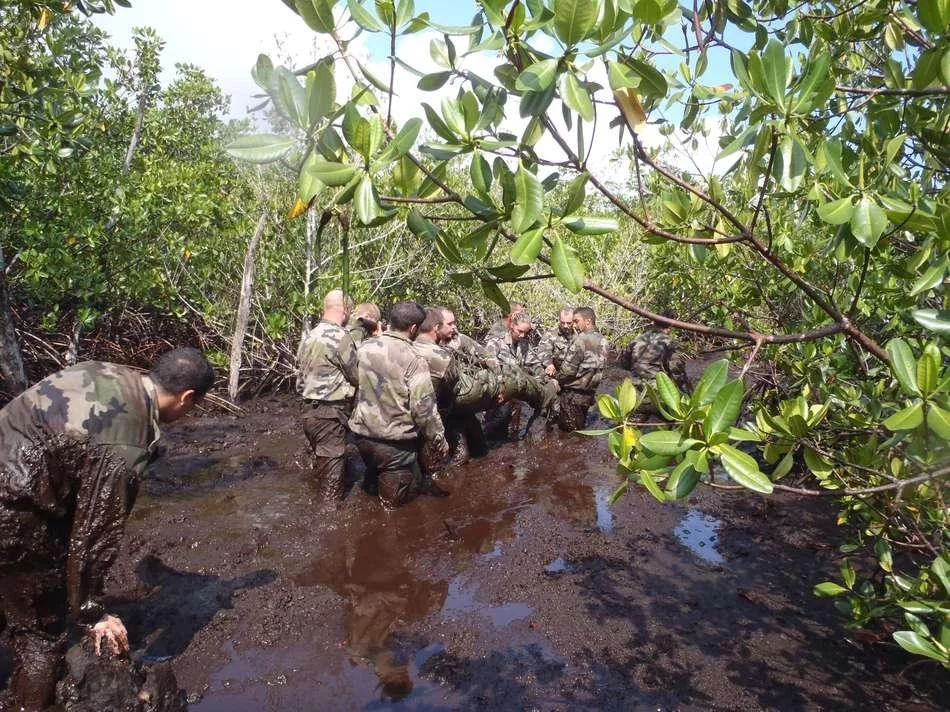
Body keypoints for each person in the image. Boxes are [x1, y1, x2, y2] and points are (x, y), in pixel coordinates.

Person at [0, 348, 214, 709]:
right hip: (12, 506)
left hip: (14, 469)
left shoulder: (105, 370)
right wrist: (91, 611)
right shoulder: (127, 441)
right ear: (187, 397)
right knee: (41, 634)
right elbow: (93, 533)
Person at [348, 301, 448, 508]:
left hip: (361, 438)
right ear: (413, 328)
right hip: (393, 445)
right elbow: (425, 411)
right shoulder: (414, 359)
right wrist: (440, 441)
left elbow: (352, 380)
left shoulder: (364, 348)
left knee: (372, 487)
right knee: (396, 508)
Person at [296, 289, 359, 503]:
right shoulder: (341, 336)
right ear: (345, 310)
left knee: (322, 470)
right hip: (329, 415)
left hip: (308, 413)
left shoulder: (308, 336)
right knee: (331, 488)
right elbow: (357, 376)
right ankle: (327, 527)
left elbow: (302, 377)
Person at [413, 309, 460, 478]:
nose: (453, 328)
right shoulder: (442, 356)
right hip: (429, 414)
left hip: (403, 416)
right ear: (436, 327)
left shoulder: (406, 346)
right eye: (449, 324)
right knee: (432, 471)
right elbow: (455, 385)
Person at [555, 306, 607, 432]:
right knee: (580, 430)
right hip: (589, 395)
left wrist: (556, 380)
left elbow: (567, 371)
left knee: (569, 435)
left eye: (576, 321)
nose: (574, 325)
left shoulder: (580, 340)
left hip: (573, 395)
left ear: (588, 321)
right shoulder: (604, 340)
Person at [620, 323, 690, 392]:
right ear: (670, 327)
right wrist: (688, 392)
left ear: (654, 324)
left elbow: (624, 364)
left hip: (633, 388)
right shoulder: (670, 343)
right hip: (656, 388)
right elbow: (676, 370)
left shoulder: (637, 339)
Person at [539, 308, 575, 377]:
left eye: (569, 323)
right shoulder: (550, 334)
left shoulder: (579, 335)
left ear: (574, 321)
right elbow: (543, 352)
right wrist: (549, 364)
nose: (565, 326)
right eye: (562, 322)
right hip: (555, 373)